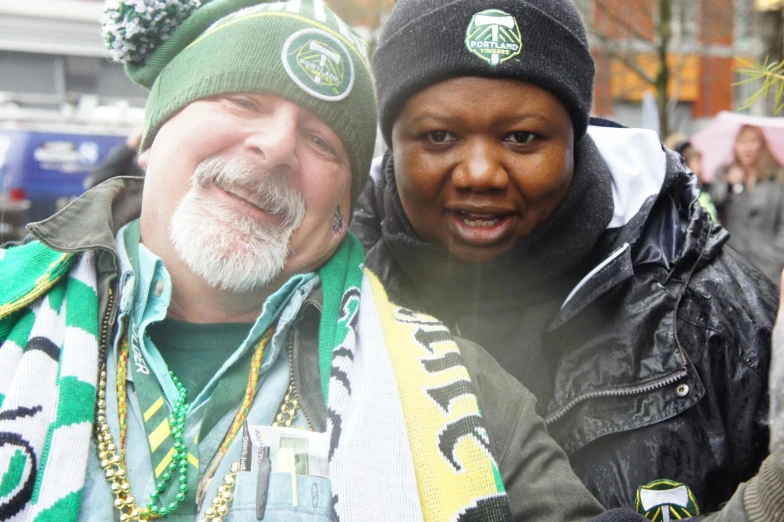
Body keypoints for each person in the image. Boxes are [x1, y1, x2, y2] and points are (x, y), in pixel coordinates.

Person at [0, 1, 634, 520]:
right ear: (153, 133)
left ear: (342, 212)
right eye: (242, 102)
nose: (275, 147)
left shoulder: (463, 386)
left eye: (320, 140)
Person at [351, 0, 780, 516]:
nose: (480, 173)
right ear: (392, 144)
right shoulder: (322, 300)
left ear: (575, 139)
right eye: (440, 136)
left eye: (522, 137)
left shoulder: (710, 309)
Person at [711, 124, 784, 282]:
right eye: (742, 142)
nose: (747, 148)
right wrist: (728, 184)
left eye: (752, 141)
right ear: (735, 146)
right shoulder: (723, 174)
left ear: (762, 145)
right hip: (734, 266)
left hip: (770, 267)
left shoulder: (778, 178)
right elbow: (712, 207)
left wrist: (777, 257)